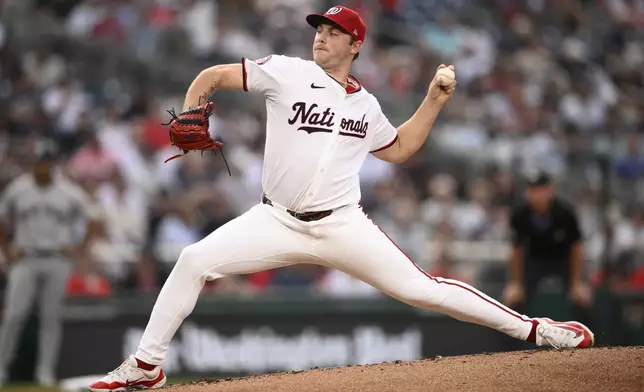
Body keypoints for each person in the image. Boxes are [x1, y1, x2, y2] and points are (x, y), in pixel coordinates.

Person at [89, 6, 595, 391]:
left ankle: (537, 331)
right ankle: (147, 365)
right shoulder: (286, 71)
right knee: (194, 259)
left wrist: (434, 100)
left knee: (424, 289)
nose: (321, 37)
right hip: (276, 220)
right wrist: (194, 105)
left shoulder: (367, 104)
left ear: (355, 44)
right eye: (319, 29)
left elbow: (398, 149)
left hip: (342, 225)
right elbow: (215, 76)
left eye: (332, 32)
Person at [0, 143, 100, 387]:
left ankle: (43, 372)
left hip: (57, 258)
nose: (41, 167)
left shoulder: (68, 191)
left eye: (45, 163)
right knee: (14, 315)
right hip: (26, 257)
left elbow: (96, 220)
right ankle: (1, 368)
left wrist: (79, 248)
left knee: (50, 318)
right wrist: (7, 250)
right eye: (37, 163)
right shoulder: (18, 189)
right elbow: (2, 220)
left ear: (52, 165)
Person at [502, 171, 593, 322]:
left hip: (562, 260)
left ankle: (593, 342)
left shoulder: (565, 213)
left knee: (582, 299)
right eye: (532, 190)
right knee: (512, 302)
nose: (536, 195)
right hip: (533, 261)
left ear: (550, 191)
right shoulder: (521, 214)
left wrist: (577, 283)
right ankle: (508, 345)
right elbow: (516, 250)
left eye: (540, 190)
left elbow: (576, 248)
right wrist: (515, 283)